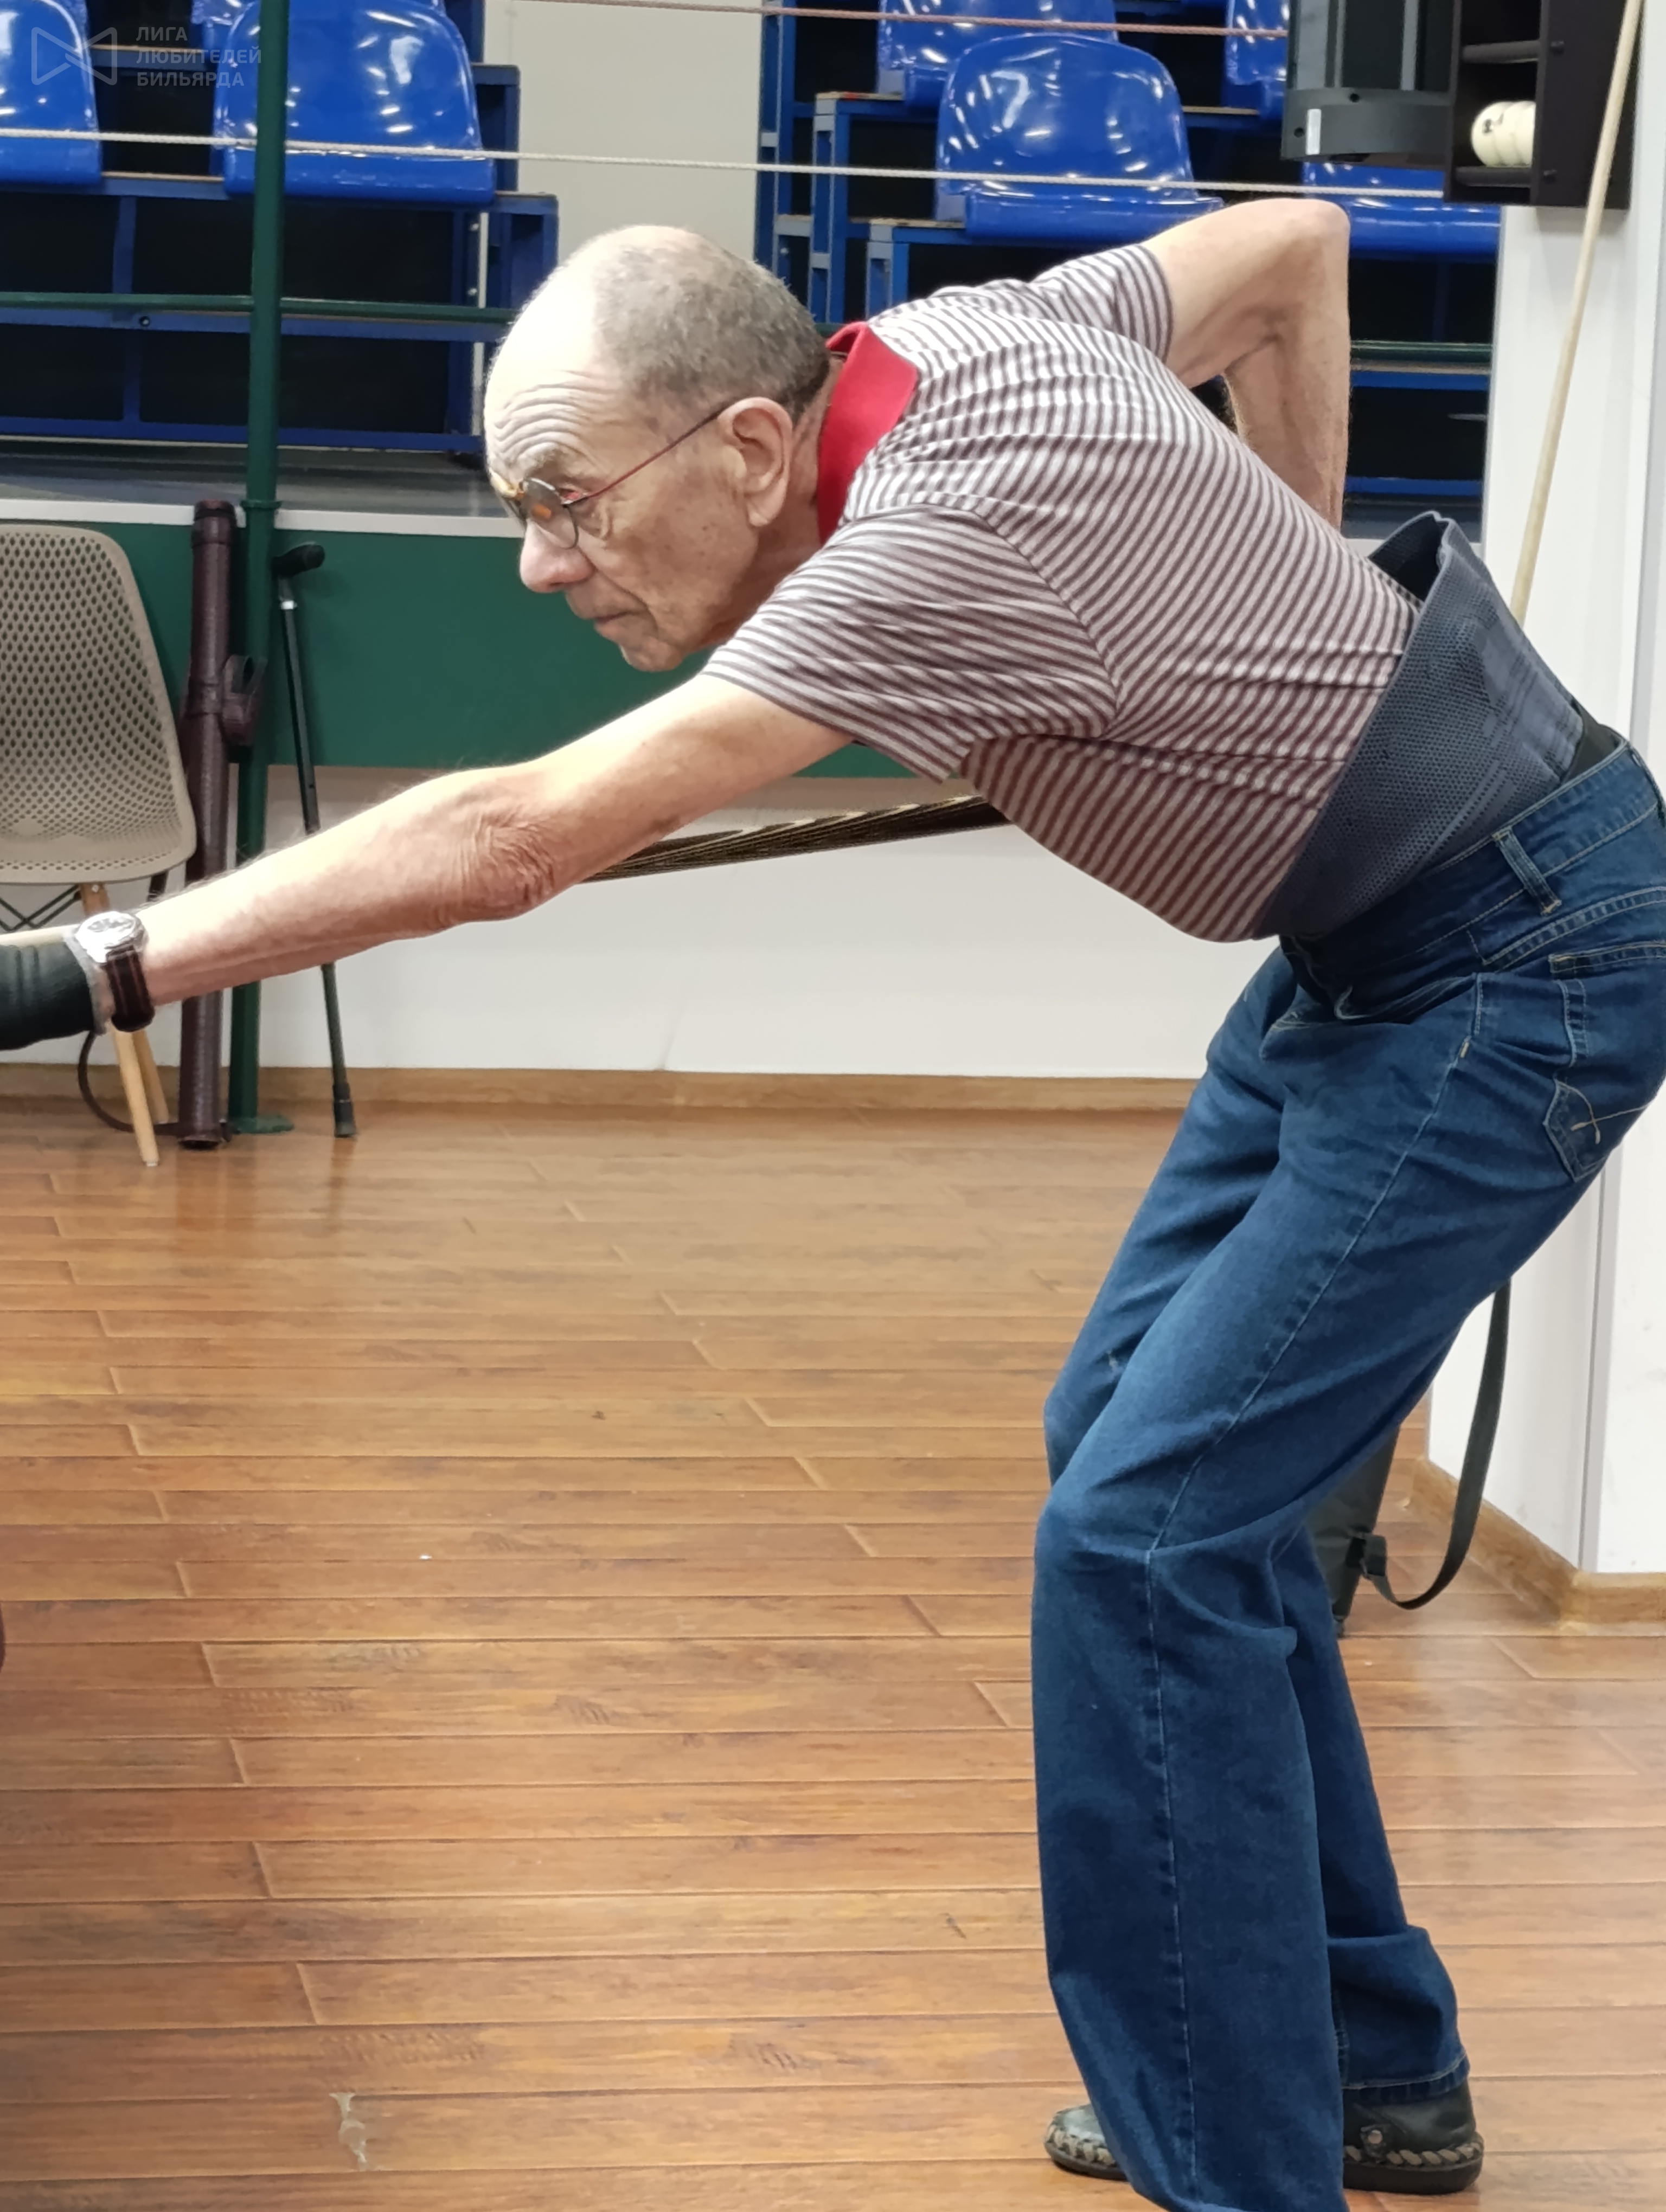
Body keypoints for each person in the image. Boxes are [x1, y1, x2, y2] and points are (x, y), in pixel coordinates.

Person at [5, 210, 1665, 2212]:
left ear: (747, 447)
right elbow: (1292, 257)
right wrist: (1300, 600)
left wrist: (94, 966)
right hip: (1378, 945)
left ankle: (1245, 2160)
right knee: (1133, 1456)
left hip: (1513, 959)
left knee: (1148, 1534)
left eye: (566, 503)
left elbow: (513, 835)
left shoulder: (927, 544)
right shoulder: (981, 331)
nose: (540, 563)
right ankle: (1369, 2065)